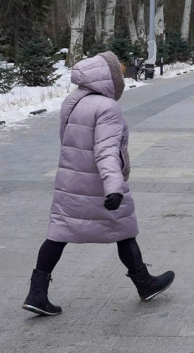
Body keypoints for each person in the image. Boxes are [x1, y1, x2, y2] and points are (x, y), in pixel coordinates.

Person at [22, 51, 175, 316]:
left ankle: (37, 293)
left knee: (58, 233)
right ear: (110, 79)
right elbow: (107, 151)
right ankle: (144, 283)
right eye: (120, 75)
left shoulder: (72, 101)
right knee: (124, 229)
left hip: (70, 180)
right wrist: (114, 187)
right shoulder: (107, 107)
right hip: (100, 183)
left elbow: (67, 142)